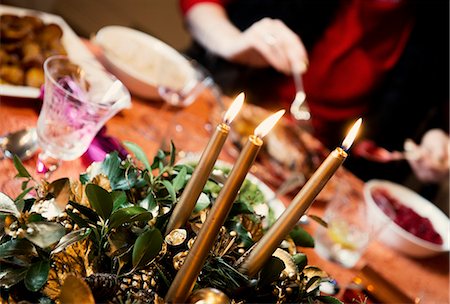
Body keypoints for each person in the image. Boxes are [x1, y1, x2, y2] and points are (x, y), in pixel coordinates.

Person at [178, 0, 449, 189]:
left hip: (313, 173)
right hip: (220, 115)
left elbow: (433, 113)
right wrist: (231, 42)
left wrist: (434, 138)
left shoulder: (436, 29)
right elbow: (201, 5)